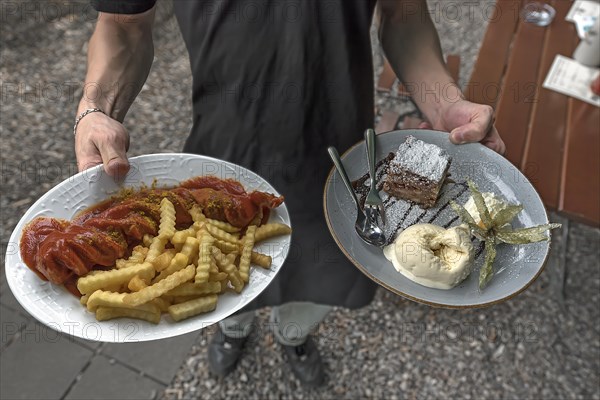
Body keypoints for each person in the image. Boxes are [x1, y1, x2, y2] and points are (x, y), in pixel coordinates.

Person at [77, 0, 505, 387]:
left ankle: (293, 335)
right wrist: (95, 110)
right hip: (222, 164)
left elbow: (403, 14)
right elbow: (122, 24)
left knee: (321, 282)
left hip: (340, 169)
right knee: (219, 285)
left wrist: (444, 102)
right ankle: (232, 329)